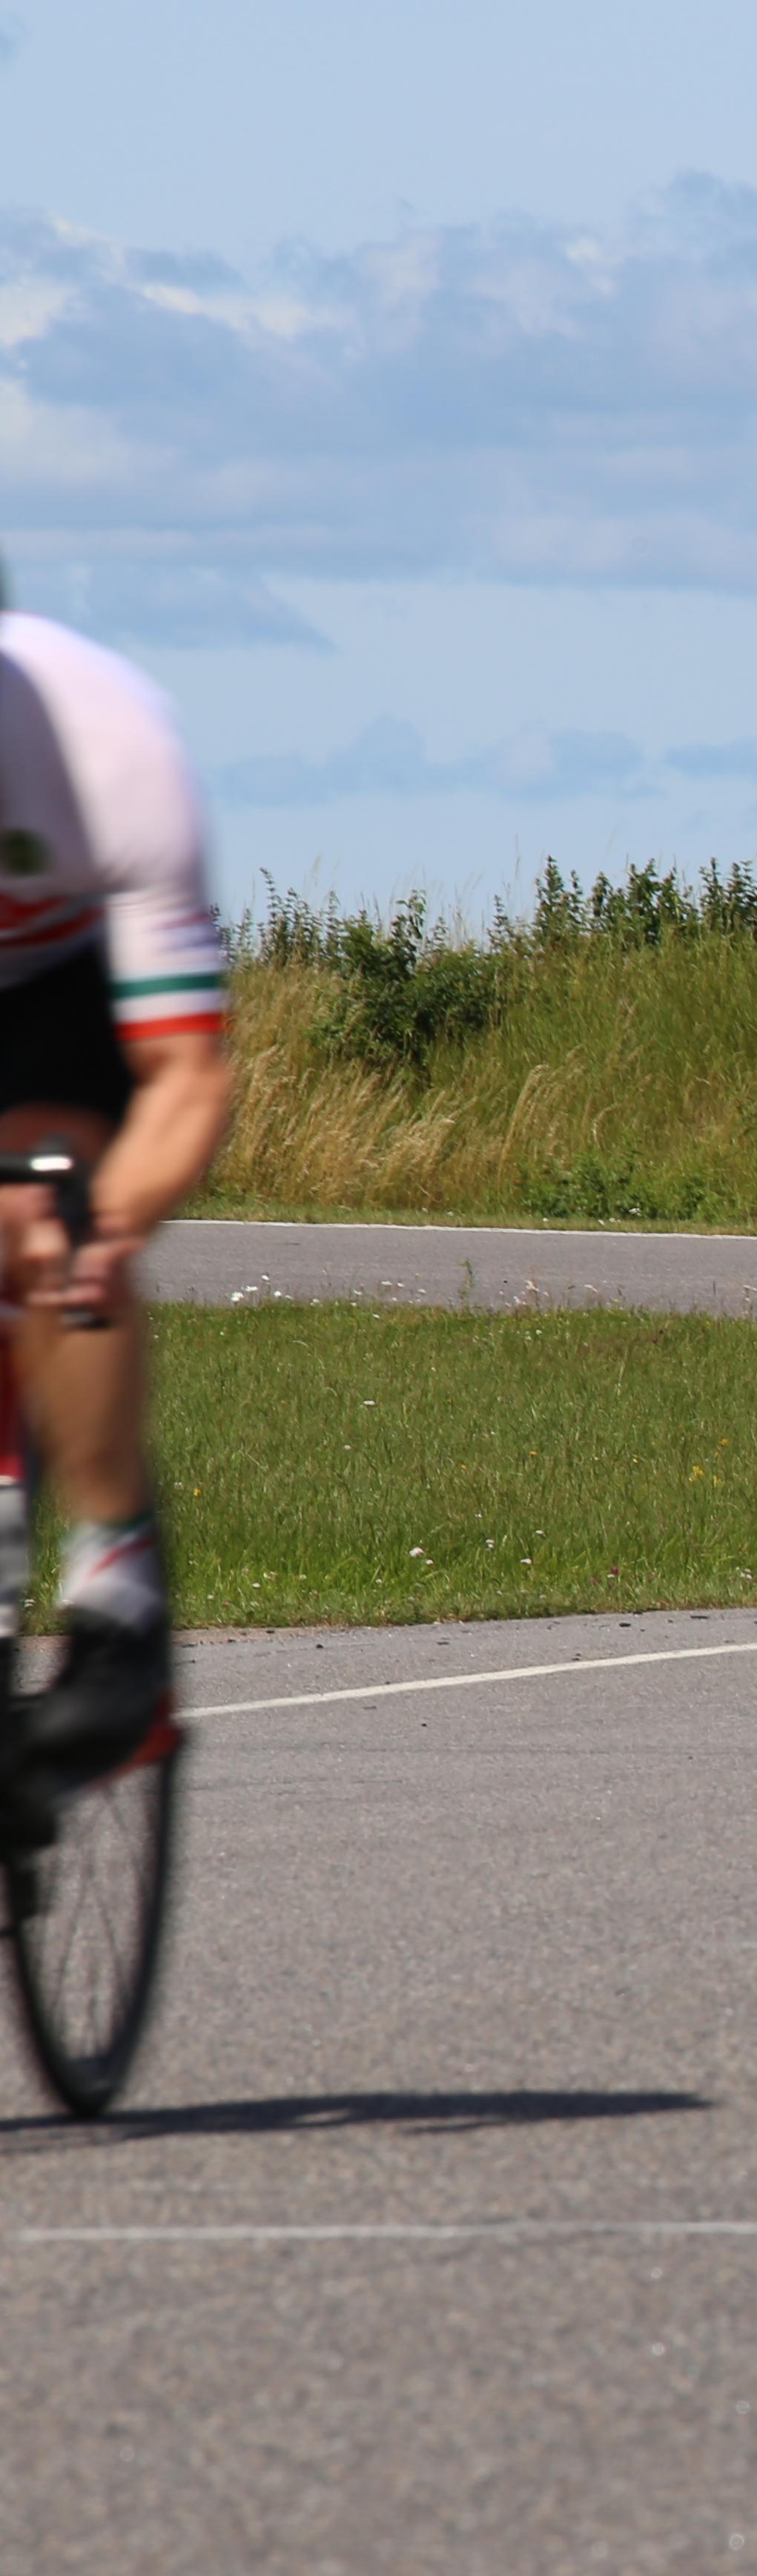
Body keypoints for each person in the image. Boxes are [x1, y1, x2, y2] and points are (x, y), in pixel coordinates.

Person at [0, 562, 236, 1763]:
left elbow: (187, 1076)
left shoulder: (107, 740)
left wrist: (110, 1224)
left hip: (62, 995)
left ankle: (114, 1575)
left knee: (54, 1190)